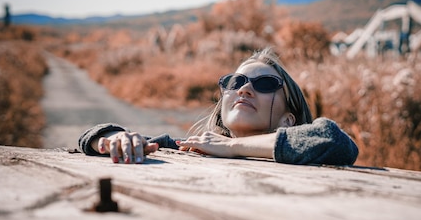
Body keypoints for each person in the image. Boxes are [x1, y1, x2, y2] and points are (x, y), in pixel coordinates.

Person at [78, 47, 358, 166]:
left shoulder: (307, 153)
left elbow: (334, 140)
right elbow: (91, 135)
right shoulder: (190, 148)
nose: (245, 89)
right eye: (236, 82)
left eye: (265, 85)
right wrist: (112, 140)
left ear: (288, 120)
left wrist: (232, 147)